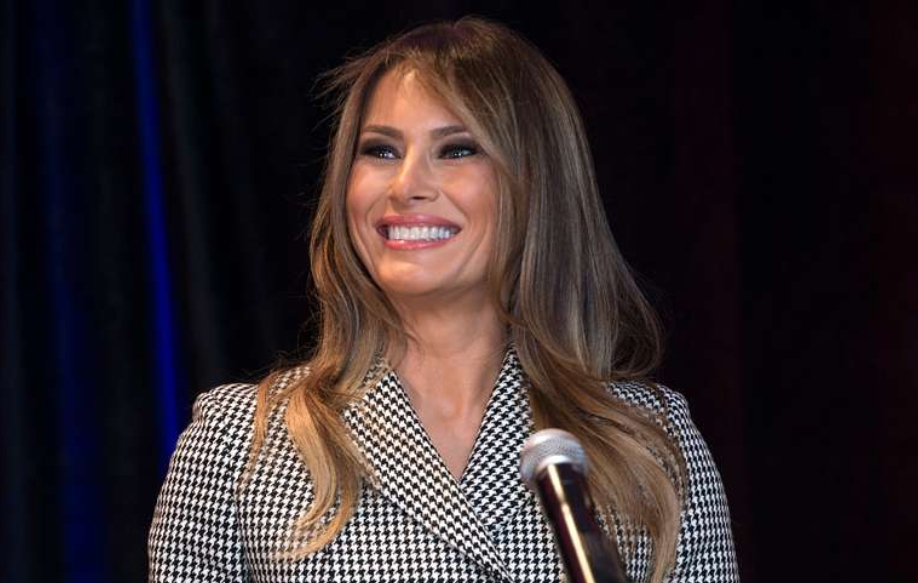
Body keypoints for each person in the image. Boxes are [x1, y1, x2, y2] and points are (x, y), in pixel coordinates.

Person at [148, 16, 739, 583]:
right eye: (380, 150)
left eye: (457, 149)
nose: (407, 185)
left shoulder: (648, 443)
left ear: (537, 184)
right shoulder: (240, 443)